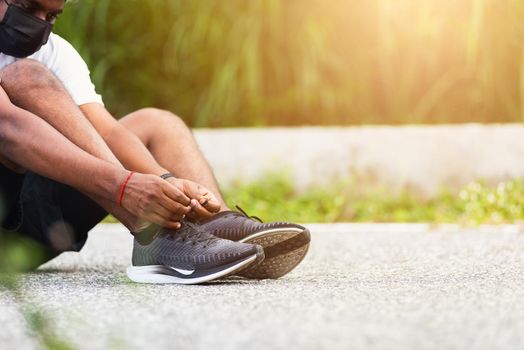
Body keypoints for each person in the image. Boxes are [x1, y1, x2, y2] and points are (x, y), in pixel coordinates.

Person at [0, 0, 310, 284]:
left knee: (157, 123)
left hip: (39, 222)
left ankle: (210, 224)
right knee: (25, 79)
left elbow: (106, 132)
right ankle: (152, 232)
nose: (39, 23)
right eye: (28, 7)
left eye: (51, 15)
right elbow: (9, 128)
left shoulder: (52, 52)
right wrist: (127, 188)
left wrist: (169, 185)